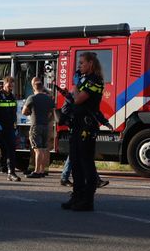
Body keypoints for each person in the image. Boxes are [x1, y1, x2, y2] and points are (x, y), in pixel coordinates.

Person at [60, 52, 104, 211]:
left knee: (86, 163)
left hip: (87, 127)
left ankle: (87, 200)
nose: (79, 66)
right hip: (76, 125)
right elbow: (73, 99)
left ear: (91, 63)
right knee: (76, 162)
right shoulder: (85, 80)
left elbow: (79, 99)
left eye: (82, 63)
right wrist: (69, 94)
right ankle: (77, 196)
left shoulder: (95, 81)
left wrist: (75, 86)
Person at [22, 77, 55, 178]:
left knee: (37, 149)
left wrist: (29, 112)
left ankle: (36, 171)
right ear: (42, 87)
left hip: (36, 125)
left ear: (33, 88)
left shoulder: (32, 98)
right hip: (45, 125)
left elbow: (24, 111)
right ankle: (42, 170)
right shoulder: (48, 99)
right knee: (45, 149)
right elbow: (52, 113)